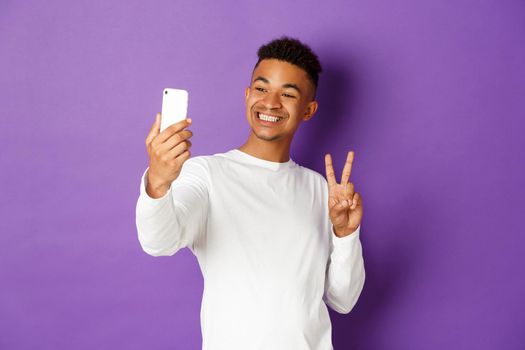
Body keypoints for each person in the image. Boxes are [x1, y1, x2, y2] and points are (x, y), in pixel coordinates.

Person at [135, 36, 365, 350]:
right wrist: (159, 183)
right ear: (247, 95)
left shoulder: (322, 190)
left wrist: (345, 233)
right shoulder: (206, 174)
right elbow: (157, 242)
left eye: (287, 94)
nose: (270, 102)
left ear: (308, 110)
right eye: (261, 88)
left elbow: (343, 299)